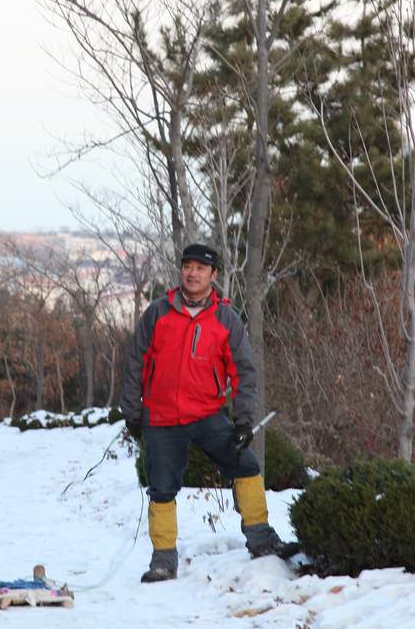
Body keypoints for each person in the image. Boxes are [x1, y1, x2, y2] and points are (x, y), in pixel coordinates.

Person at [120, 243, 297, 583]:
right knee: (161, 488)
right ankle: (163, 561)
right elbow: (135, 362)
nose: (193, 272)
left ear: (214, 275)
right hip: (161, 419)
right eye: (188, 266)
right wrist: (132, 410)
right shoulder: (157, 312)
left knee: (246, 466)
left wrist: (243, 420)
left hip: (207, 416)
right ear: (181, 271)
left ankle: (261, 540)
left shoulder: (226, 318)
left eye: (201, 268)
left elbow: (244, 372)